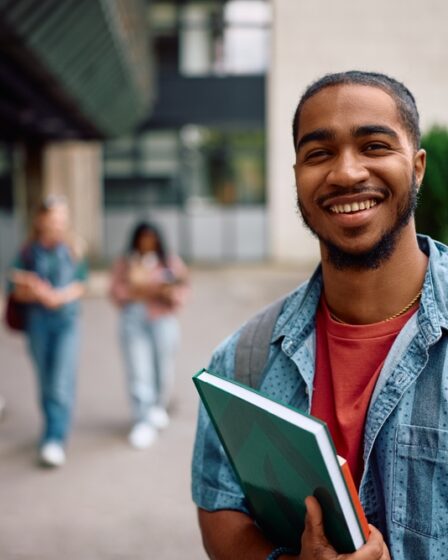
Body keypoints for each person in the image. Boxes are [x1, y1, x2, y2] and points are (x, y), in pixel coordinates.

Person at [191, 70, 448, 559]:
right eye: (319, 153)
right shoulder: (243, 360)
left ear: (416, 168)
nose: (346, 173)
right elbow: (219, 507)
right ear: (297, 178)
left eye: (374, 146)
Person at [8, 195, 87, 467]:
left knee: (60, 380)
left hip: (67, 323)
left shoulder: (73, 248)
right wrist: (36, 293)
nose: (58, 224)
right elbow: (14, 289)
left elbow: (81, 283)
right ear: (41, 220)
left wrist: (59, 297)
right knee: (45, 381)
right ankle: (51, 427)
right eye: (53, 218)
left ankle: (55, 438)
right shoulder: (27, 252)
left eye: (62, 218)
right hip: (38, 324)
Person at [110, 221, 188, 449]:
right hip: (133, 320)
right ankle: (142, 419)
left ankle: (157, 406)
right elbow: (115, 290)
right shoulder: (126, 262)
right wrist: (136, 290)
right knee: (138, 370)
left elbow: (183, 288)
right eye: (143, 238)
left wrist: (167, 292)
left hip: (162, 318)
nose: (147, 243)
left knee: (163, 367)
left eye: (151, 238)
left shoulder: (168, 261)